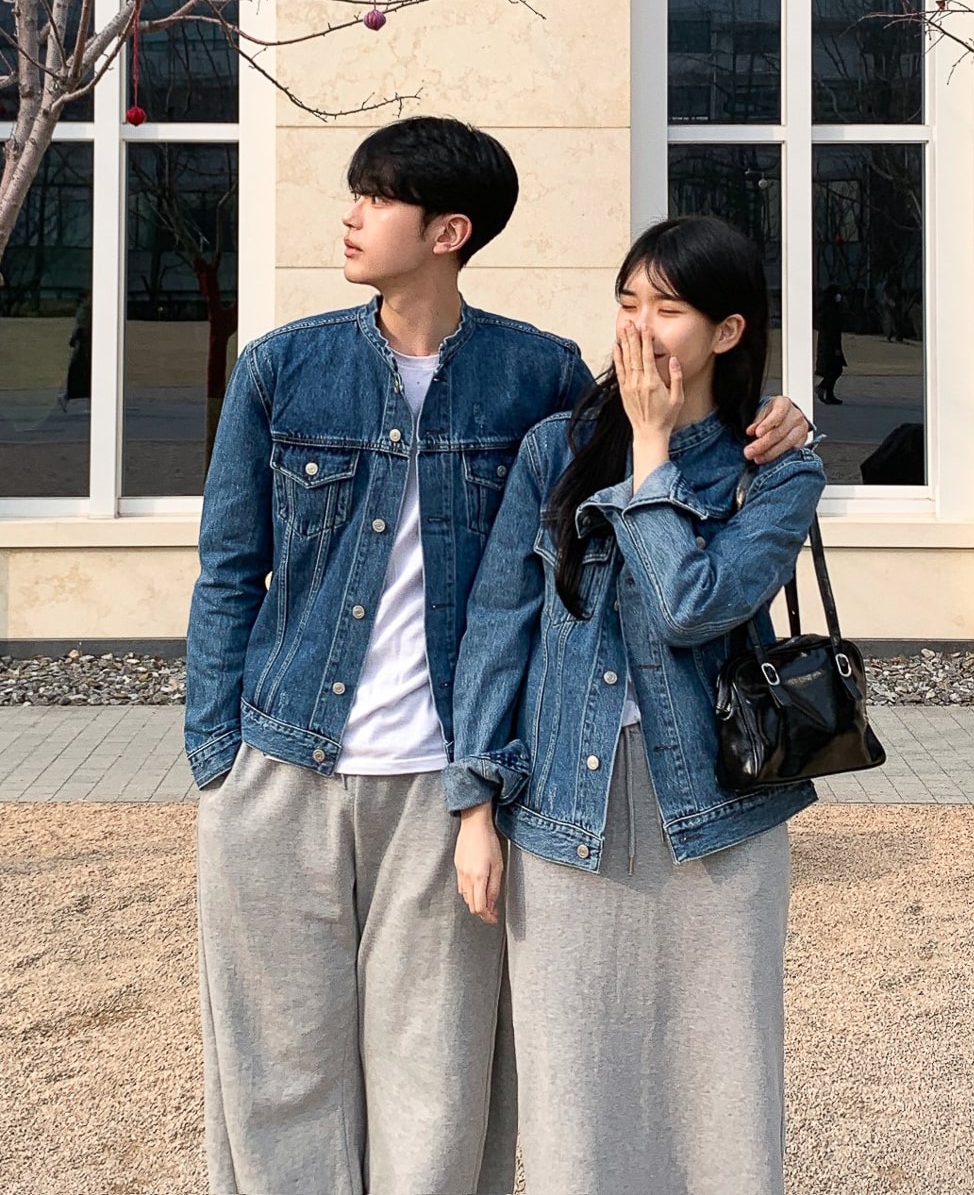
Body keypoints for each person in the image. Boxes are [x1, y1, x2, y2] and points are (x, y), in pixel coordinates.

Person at [185, 118, 811, 1195]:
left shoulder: (536, 377)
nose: (351, 215)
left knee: (438, 1077)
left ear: (449, 231)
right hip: (284, 756)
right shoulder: (284, 368)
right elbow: (231, 567)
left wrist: (767, 417)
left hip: (443, 771)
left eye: (376, 196)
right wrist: (215, 752)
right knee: (277, 1066)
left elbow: (662, 555)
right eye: (628, 303)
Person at [446, 215, 826, 1195]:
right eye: (626, 302)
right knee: (573, 1084)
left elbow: (692, 604)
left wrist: (653, 451)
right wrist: (474, 802)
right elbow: (498, 627)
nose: (638, 327)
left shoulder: (777, 470)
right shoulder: (555, 450)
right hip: (563, 810)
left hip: (719, 815)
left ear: (728, 332)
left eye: (667, 308)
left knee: (724, 1077)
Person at [815, 282, 846, 404]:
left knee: (832, 369)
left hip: (826, 344)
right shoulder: (831, 311)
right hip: (831, 345)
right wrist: (836, 347)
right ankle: (823, 387)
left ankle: (829, 394)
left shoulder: (826, 309)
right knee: (835, 369)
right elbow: (833, 330)